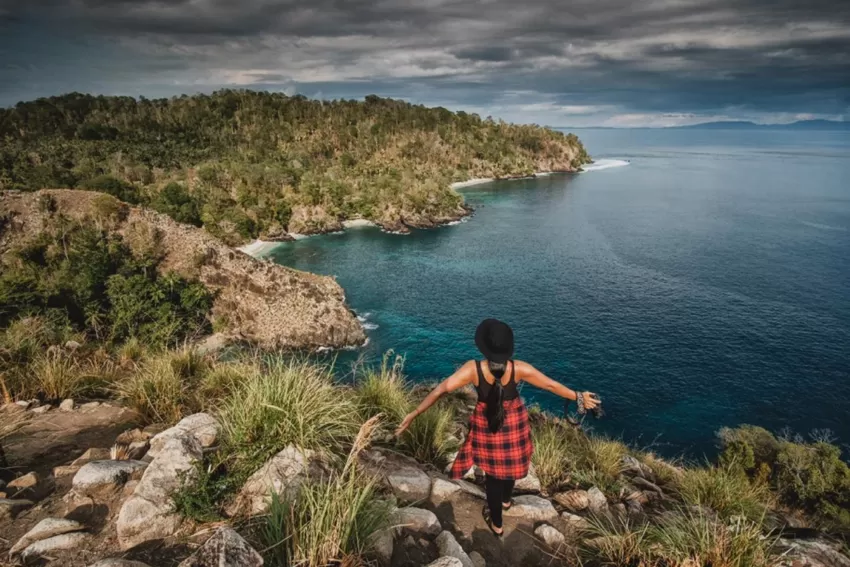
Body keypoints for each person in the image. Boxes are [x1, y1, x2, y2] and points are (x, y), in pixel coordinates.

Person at [394, 318, 600, 536]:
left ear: (484, 346)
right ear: (507, 349)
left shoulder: (472, 369)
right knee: (509, 466)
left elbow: (441, 390)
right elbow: (550, 385)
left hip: (487, 423)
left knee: (493, 476)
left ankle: (497, 525)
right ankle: (506, 501)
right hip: (514, 423)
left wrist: (414, 414)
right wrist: (578, 396)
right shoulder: (518, 368)